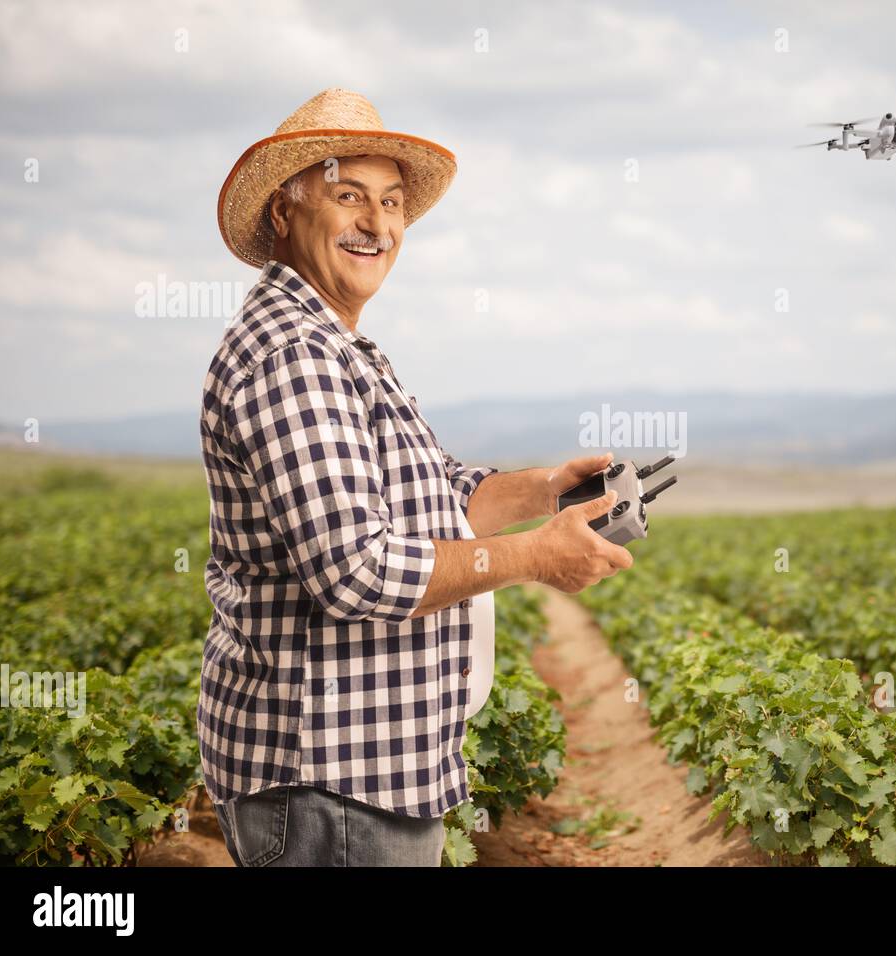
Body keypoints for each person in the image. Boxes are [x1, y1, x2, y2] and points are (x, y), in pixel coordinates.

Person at [198, 88, 633, 866]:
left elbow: (430, 493)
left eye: (392, 203)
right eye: (348, 197)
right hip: (330, 787)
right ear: (282, 215)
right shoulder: (293, 357)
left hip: (360, 781)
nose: (378, 225)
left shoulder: (337, 346)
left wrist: (545, 489)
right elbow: (357, 568)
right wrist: (535, 557)